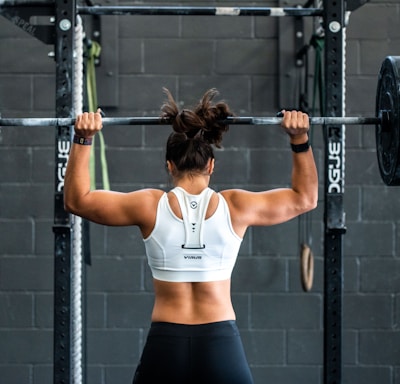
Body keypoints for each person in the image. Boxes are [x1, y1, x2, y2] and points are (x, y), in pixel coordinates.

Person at [64, 88, 318, 384]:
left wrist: (84, 139)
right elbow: (305, 198)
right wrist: (299, 139)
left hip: (166, 344)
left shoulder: (149, 206)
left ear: (169, 165)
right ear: (211, 164)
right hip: (221, 342)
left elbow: (76, 201)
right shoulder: (236, 206)